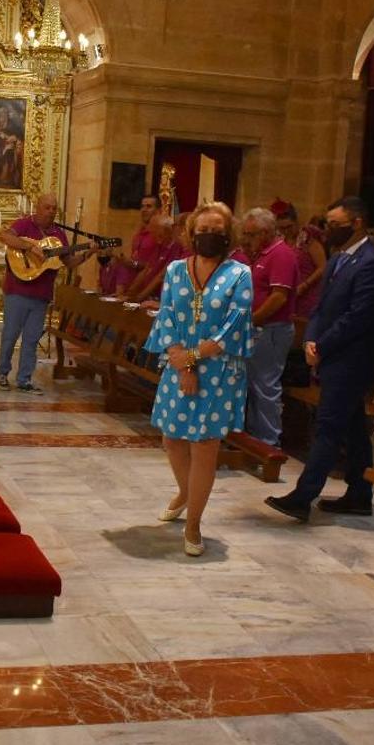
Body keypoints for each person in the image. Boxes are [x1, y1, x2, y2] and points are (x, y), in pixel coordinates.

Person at [265, 197, 374, 522]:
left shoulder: (372, 264)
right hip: (332, 353)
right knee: (352, 427)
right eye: (328, 223)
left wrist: (322, 346)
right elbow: (322, 307)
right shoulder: (337, 260)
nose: (329, 229)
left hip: (353, 360)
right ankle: (360, 494)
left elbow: (358, 317)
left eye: (336, 224)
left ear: (357, 223)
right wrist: (310, 338)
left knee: (328, 426)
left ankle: (303, 496)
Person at [143, 202, 253, 556]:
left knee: (204, 446)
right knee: (172, 438)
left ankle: (194, 524)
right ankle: (186, 492)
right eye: (202, 230)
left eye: (216, 230)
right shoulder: (176, 270)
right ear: (192, 234)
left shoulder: (239, 274)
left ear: (228, 234)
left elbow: (235, 325)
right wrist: (183, 362)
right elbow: (169, 315)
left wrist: (195, 358)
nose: (209, 236)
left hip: (219, 371)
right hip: (178, 363)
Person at [0, 193, 96, 393]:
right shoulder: (24, 224)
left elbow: (69, 262)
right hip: (17, 290)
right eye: (47, 207)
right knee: (10, 335)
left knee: (32, 338)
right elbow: (5, 236)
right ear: (38, 207)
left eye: (54, 209)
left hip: (41, 295)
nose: (51, 212)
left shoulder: (59, 235)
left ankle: (24, 379)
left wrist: (88, 253)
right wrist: (30, 247)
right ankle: (3, 372)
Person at [232, 207, 298, 447]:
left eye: (251, 234)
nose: (247, 240)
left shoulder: (281, 254)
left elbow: (279, 297)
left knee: (265, 388)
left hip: (271, 330)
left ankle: (269, 444)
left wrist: (251, 321)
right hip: (259, 328)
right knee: (251, 386)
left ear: (268, 231)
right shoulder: (262, 254)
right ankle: (252, 440)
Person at [273, 199, 327, 319]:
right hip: (287, 295)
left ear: (296, 222)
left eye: (289, 227)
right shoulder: (279, 239)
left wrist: (304, 285)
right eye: (282, 228)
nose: (286, 231)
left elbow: (322, 266)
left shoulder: (308, 238)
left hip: (308, 293)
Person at [101, 195, 159, 295]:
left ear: (158, 211)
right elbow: (133, 262)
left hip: (148, 291)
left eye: (149, 206)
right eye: (142, 206)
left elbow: (155, 266)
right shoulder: (138, 234)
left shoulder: (159, 235)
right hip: (133, 288)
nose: (144, 209)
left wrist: (132, 263)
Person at [125, 214, 184, 302]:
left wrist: (139, 297)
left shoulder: (176, 248)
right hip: (147, 297)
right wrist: (129, 293)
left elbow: (161, 276)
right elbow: (146, 270)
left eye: (156, 232)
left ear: (168, 231)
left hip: (160, 299)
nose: (153, 236)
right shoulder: (159, 246)